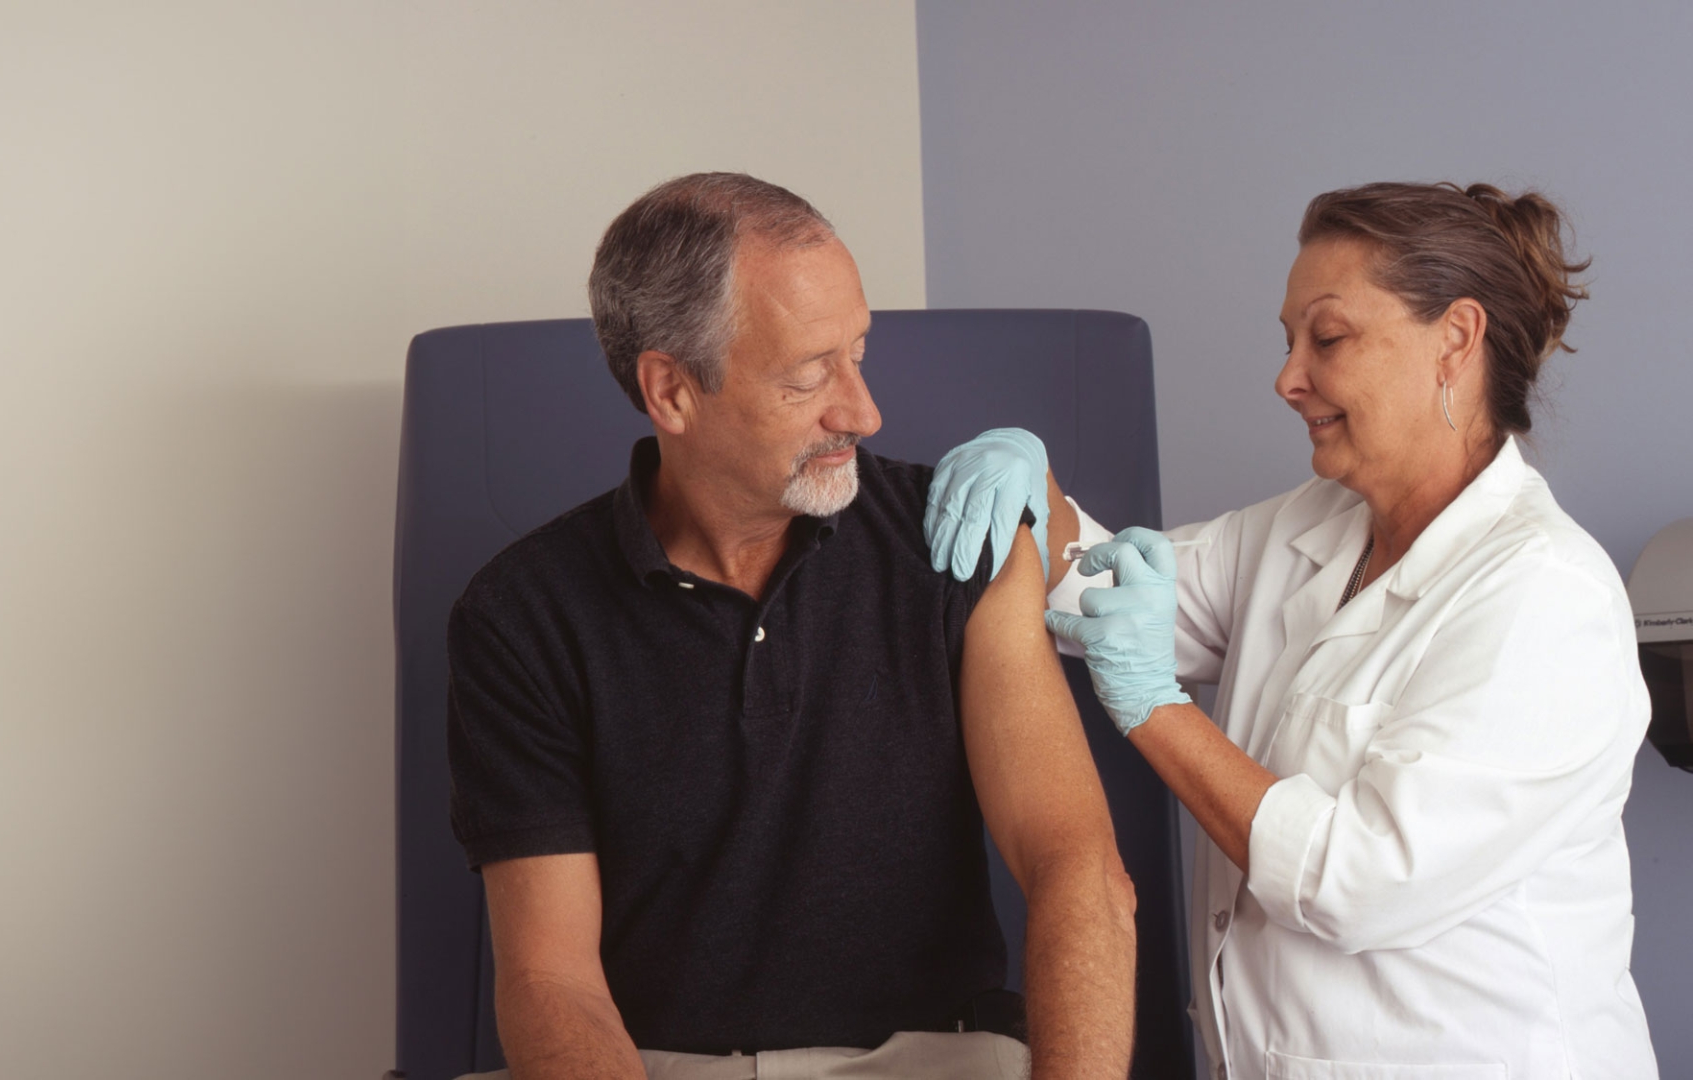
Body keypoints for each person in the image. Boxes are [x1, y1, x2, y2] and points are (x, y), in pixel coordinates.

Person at [927, 181, 1657, 1078]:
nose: (1287, 378)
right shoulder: (1310, 528)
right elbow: (1114, 589)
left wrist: (1157, 708)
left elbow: (1359, 881)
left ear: (1455, 342)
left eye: (1329, 338)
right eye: (1287, 341)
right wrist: (1034, 494)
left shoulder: (1545, 597)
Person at [445, 172, 1136, 1080]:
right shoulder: (523, 614)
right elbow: (551, 980)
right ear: (672, 393)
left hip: (930, 1058)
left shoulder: (955, 540)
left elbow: (1075, 870)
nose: (863, 410)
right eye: (811, 376)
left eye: (859, 351)